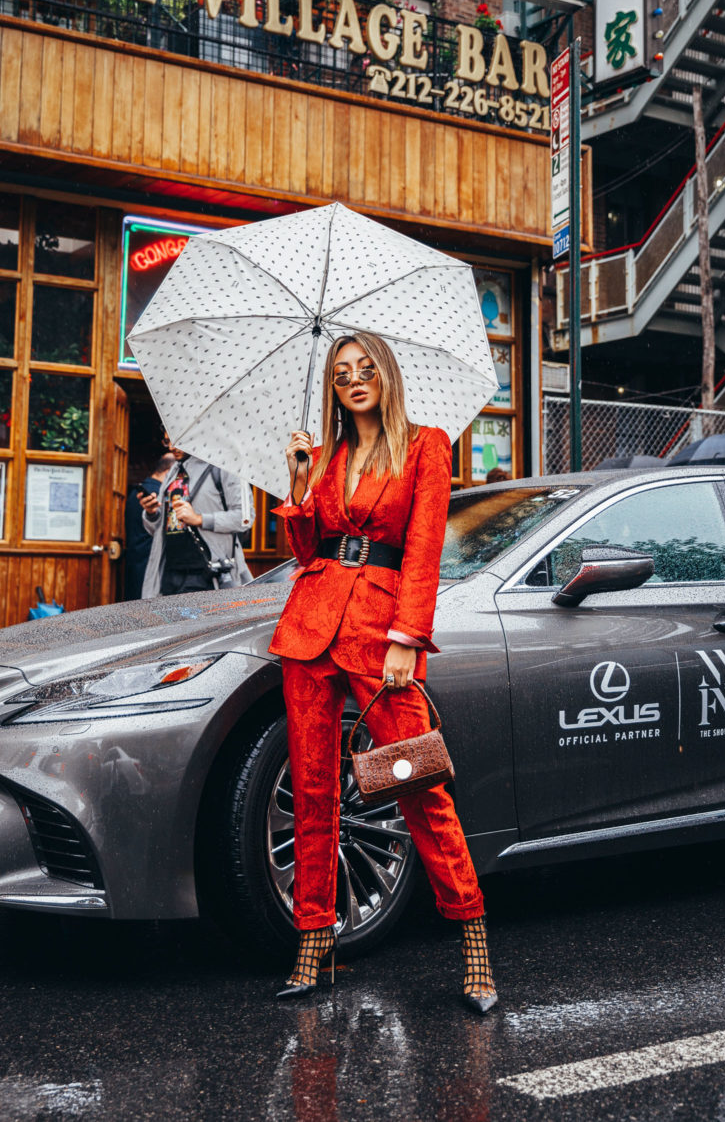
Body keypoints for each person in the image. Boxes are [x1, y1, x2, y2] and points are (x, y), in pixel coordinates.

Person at [268, 331, 498, 1013]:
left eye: (366, 367)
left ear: (388, 375)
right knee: (313, 789)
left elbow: (424, 545)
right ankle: (315, 942)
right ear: (334, 389)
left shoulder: (425, 443)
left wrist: (407, 638)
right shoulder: (332, 452)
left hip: (380, 633)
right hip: (310, 628)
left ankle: (474, 940)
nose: (355, 379)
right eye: (342, 373)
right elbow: (308, 549)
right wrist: (301, 481)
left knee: (417, 780)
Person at [138, 446, 255, 597]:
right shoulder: (173, 472)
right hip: (169, 571)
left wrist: (199, 519)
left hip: (207, 571)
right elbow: (158, 529)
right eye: (168, 440)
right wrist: (151, 513)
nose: (171, 446)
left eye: (178, 441)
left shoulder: (224, 467)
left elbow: (245, 517)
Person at [123, 449, 175, 601]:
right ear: (169, 471)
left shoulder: (138, 491)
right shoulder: (158, 494)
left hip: (135, 558)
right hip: (152, 560)